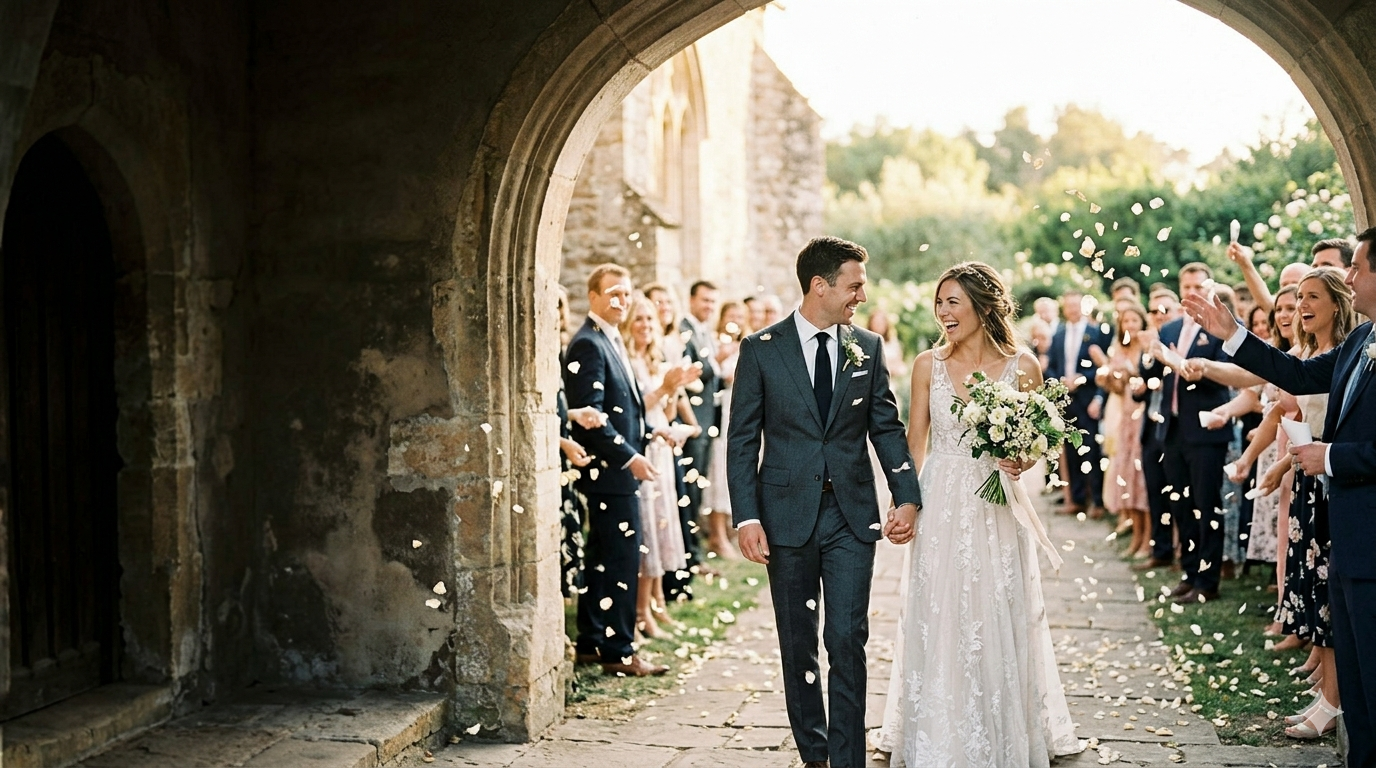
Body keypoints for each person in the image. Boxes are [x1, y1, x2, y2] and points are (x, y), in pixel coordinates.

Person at [874, 261, 1081, 767]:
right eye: (939, 302)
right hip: (941, 499)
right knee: (939, 609)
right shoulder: (928, 364)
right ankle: (935, 730)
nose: (943, 312)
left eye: (953, 302)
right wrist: (905, 502)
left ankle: (1001, 727)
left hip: (996, 504)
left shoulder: (1023, 366)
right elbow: (914, 441)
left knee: (995, 607)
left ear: (982, 306)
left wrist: (1023, 457)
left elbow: (1040, 441)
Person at [728, 236, 920, 768]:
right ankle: (814, 753)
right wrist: (746, 516)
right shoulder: (760, 350)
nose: (861, 294)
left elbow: (886, 427)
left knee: (846, 637)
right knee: (798, 642)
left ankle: (848, 759)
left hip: (852, 518)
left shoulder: (869, 347)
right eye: (854, 284)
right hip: (784, 518)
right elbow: (742, 440)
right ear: (820, 285)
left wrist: (907, 497)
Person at [1184, 229, 1376, 763]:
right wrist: (1233, 332)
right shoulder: (1362, 342)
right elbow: (1295, 372)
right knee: (1359, 689)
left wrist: (1330, 458)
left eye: (1358, 266)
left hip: (1370, 536)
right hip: (1348, 540)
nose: (1351, 276)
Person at [564, 263, 668, 677]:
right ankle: (620, 651)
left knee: (603, 558)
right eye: (613, 294)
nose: (622, 301)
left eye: (626, 294)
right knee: (622, 560)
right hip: (608, 473)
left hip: (618, 470)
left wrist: (655, 431)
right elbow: (592, 416)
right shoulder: (588, 343)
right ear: (593, 297)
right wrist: (629, 457)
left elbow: (625, 406)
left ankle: (592, 641)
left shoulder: (610, 339)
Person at [1139, 263, 1234, 603]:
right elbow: (1152, 373)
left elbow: (1231, 373)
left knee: (1206, 505)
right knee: (1179, 504)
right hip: (1173, 426)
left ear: (1209, 287)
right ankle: (1189, 572)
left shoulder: (1222, 327)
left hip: (1206, 428)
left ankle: (1208, 582)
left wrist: (1201, 371)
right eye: (1187, 284)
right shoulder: (1171, 328)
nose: (1192, 290)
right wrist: (1150, 357)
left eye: (1198, 284)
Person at [622, 295, 699, 638]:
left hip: (661, 450)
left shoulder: (652, 360)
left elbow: (664, 414)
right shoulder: (628, 360)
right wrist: (666, 387)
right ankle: (641, 613)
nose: (645, 326)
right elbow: (635, 410)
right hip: (641, 450)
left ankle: (655, 604)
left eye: (650, 320)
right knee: (647, 530)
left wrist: (672, 391)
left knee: (662, 525)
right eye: (639, 319)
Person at [675, 280, 723, 596]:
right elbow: (691, 373)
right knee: (689, 493)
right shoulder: (685, 331)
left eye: (712, 302)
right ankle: (689, 556)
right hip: (692, 425)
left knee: (698, 494)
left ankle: (694, 555)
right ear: (691, 299)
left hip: (707, 422)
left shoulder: (705, 331)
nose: (708, 306)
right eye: (704, 300)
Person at [1046, 289, 1110, 517]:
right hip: (1066, 400)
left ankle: (1098, 502)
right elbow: (1051, 364)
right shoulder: (1059, 334)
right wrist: (1060, 380)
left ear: (1084, 306)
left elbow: (1105, 367)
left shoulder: (1097, 332)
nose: (1072, 309)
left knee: (1091, 449)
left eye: (1076, 305)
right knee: (1071, 451)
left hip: (1088, 398)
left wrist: (1083, 379)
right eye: (1069, 305)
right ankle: (1077, 499)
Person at [1132, 288, 1183, 572]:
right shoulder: (1151, 342)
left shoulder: (1179, 339)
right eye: (1153, 311)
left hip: (1175, 425)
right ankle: (1160, 549)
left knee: (1177, 489)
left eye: (1165, 309)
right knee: (1155, 489)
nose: (1159, 315)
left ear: (1176, 311)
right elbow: (1146, 381)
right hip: (1151, 424)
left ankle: (1179, 550)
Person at [1096, 304, 1152, 558]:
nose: (1129, 325)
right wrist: (1108, 380)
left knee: (1142, 479)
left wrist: (1134, 372)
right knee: (1127, 476)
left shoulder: (1148, 347)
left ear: (1142, 322)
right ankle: (1136, 536)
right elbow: (1119, 388)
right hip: (1125, 417)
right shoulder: (1119, 349)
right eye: (1125, 321)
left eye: (1134, 320)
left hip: (1143, 417)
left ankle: (1148, 539)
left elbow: (1149, 380)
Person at [703, 300, 746, 560]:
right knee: (719, 473)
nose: (736, 320)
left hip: (741, 417)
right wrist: (719, 361)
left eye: (740, 316)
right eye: (731, 315)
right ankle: (716, 535)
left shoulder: (747, 345)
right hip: (722, 417)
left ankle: (736, 531)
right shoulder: (715, 344)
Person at [1232, 237, 1351, 313]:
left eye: (1326, 265)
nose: (1318, 272)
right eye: (1314, 267)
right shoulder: (1304, 311)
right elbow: (1266, 304)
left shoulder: (1361, 309)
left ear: (1349, 271)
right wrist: (1244, 263)